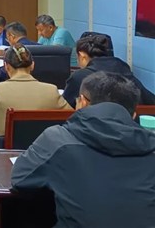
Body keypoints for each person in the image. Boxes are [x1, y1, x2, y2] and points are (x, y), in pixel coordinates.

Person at [12, 72, 155, 228]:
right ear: (133, 115)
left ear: (83, 103)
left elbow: (20, 179)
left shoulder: (58, 139)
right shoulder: (150, 148)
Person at [0, 43, 71, 148]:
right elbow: (72, 117)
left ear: (6, 66)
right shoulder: (51, 91)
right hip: (44, 152)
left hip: (4, 154)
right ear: (32, 65)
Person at [63, 34, 155, 108]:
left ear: (82, 56)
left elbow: (64, 107)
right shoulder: (125, 71)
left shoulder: (79, 77)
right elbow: (149, 100)